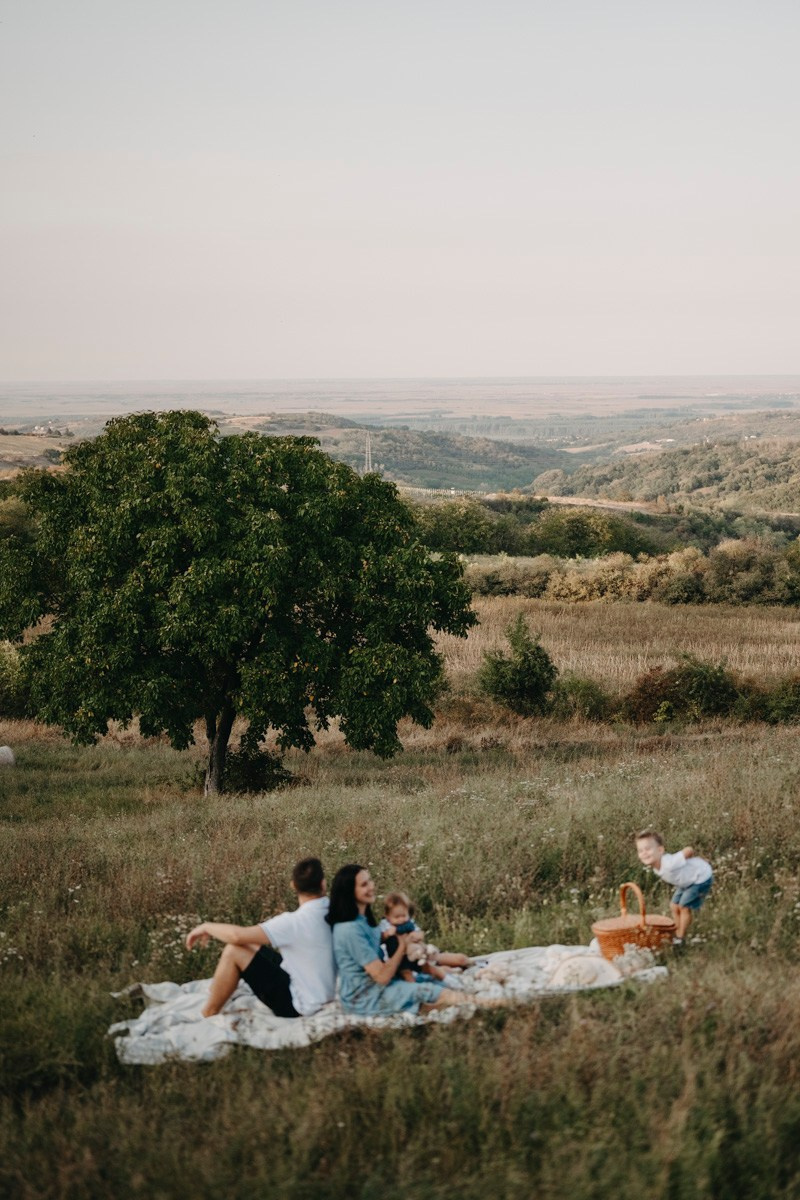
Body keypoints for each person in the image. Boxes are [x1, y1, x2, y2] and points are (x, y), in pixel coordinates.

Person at [327, 864, 501, 1015]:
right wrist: (402, 946)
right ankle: (496, 1004)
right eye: (364, 884)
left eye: (370, 880)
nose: (371, 886)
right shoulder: (349, 929)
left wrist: (394, 937)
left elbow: (372, 942)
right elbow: (381, 977)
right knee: (430, 990)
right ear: (350, 892)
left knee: (432, 981)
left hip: (378, 985)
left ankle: (431, 1005)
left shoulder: (362, 919)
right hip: (365, 996)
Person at [185, 857, 336, 1019]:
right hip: (323, 988)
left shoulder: (294, 922)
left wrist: (206, 926)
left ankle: (208, 1012)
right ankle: (216, 990)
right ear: (323, 883)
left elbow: (236, 937)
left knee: (233, 950)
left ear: (293, 885)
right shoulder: (338, 910)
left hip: (300, 1005)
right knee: (251, 943)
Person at [635, 829, 713, 945]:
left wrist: (691, 860)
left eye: (648, 849)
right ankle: (676, 930)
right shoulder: (656, 867)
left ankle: (680, 937)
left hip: (700, 877)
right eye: (640, 850)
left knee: (684, 907)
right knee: (674, 906)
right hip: (686, 881)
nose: (644, 853)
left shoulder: (669, 863)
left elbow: (689, 850)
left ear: (660, 850)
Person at [380, 890, 473, 984]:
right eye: (397, 917)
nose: (401, 919)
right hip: (403, 963)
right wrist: (388, 934)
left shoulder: (409, 923)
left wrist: (415, 936)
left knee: (460, 959)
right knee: (419, 974)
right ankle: (451, 973)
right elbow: (381, 939)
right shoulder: (385, 925)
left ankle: (466, 967)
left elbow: (420, 934)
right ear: (388, 916)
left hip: (422, 955)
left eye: (404, 916)